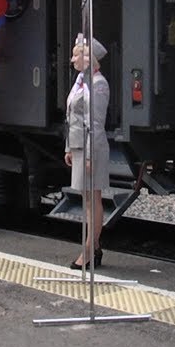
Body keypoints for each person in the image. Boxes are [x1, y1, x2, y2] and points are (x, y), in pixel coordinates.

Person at [64, 34, 110, 270]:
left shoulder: (99, 84)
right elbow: (72, 116)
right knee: (87, 200)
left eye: (76, 54)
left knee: (93, 199)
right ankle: (96, 248)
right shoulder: (81, 81)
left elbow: (96, 123)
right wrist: (69, 147)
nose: (72, 59)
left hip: (93, 148)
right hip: (80, 147)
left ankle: (90, 250)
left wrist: (90, 155)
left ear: (88, 57)